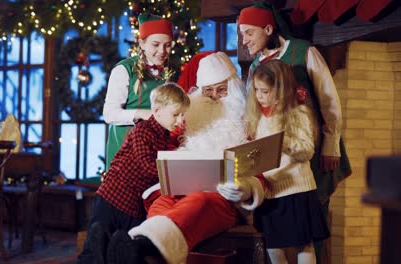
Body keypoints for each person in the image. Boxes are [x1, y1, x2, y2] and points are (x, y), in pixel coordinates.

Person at [104, 52, 267, 264]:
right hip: (182, 189)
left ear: (234, 88)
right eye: (208, 91)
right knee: (163, 202)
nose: (215, 97)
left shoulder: (249, 121)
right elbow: (162, 150)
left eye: (222, 90)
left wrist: (245, 187)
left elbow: (261, 166)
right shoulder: (186, 120)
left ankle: (142, 247)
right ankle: (143, 249)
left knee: (199, 201)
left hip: (223, 199)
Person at [238, 3, 351, 262]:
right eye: (242, 34)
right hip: (275, 167)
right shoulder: (256, 66)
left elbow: (328, 99)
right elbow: (252, 111)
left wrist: (331, 143)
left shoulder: (303, 51)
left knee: (307, 227)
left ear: (268, 29)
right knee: (279, 235)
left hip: (309, 149)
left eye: (249, 33)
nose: (244, 41)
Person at [77, 83, 190, 264]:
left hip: (133, 204)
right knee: (93, 252)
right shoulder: (143, 130)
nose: (180, 120)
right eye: (176, 115)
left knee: (126, 250)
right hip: (112, 196)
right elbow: (147, 165)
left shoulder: (164, 136)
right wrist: (177, 174)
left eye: (183, 115)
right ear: (157, 110)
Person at [248, 59, 329, 263]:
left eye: (265, 91)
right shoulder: (259, 115)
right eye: (257, 90)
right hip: (270, 191)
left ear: (281, 88)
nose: (259, 96)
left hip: (296, 190)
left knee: (304, 244)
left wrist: (283, 141)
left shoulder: (297, 112)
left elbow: (307, 151)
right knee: (274, 247)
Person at [103, 13, 174, 170]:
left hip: (156, 152)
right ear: (142, 43)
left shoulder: (170, 72)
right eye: (155, 44)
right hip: (125, 154)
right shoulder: (124, 69)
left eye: (167, 45)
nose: (162, 51)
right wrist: (142, 113)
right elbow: (109, 114)